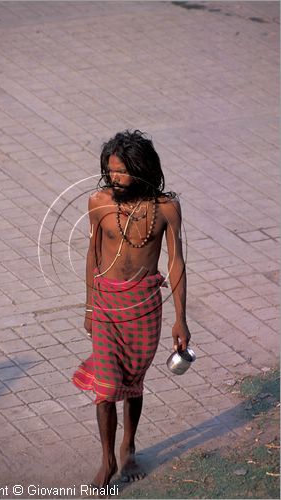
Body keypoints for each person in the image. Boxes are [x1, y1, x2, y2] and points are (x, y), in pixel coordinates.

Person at [72, 130, 191, 488]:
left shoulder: (166, 208)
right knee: (106, 387)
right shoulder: (99, 203)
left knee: (132, 383)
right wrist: (91, 306)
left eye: (121, 171)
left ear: (141, 169)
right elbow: (92, 256)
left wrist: (180, 319)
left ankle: (129, 446)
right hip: (107, 305)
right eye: (110, 172)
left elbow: (176, 264)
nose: (114, 179)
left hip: (144, 307)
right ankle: (108, 460)